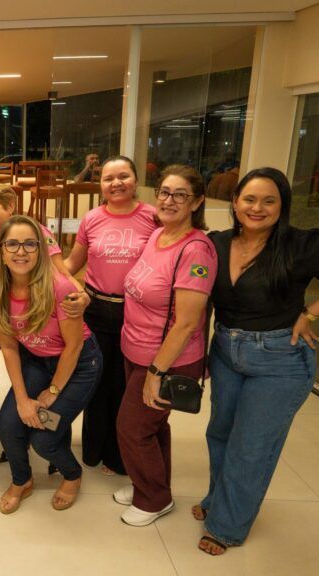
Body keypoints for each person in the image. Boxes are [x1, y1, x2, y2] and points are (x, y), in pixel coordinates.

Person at [196, 168, 319, 555]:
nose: (258, 208)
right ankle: (219, 500)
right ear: (234, 202)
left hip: (280, 360)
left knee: (251, 447)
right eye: (249, 199)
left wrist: (311, 313)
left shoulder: (302, 245)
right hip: (226, 351)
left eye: (269, 201)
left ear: (282, 207)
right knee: (221, 434)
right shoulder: (216, 244)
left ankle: (226, 527)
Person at [113, 164, 217, 527]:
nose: (169, 201)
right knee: (153, 426)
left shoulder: (196, 250)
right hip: (135, 350)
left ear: (197, 202)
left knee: (132, 428)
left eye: (180, 195)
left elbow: (187, 323)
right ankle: (149, 484)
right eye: (164, 192)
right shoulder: (158, 235)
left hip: (166, 361)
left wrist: (156, 372)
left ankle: (154, 499)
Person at [0, 216, 102, 513]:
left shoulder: (60, 287)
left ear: (41, 250)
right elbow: (9, 347)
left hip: (79, 366)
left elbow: (74, 347)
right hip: (37, 362)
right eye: (12, 244)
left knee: (44, 437)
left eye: (30, 244)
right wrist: (23, 399)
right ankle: (22, 480)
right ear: (1, 251)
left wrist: (51, 392)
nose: (21, 251)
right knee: (8, 424)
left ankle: (72, 475)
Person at [64, 156, 159, 476]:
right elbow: (72, 264)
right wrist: (46, 276)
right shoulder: (92, 219)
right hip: (95, 309)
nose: (116, 183)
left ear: (136, 180)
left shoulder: (153, 217)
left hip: (136, 312)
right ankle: (92, 451)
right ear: (100, 185)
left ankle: (118, 456)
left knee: (125, 386)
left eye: (123, 176)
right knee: (96, 381)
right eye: (108, 178)